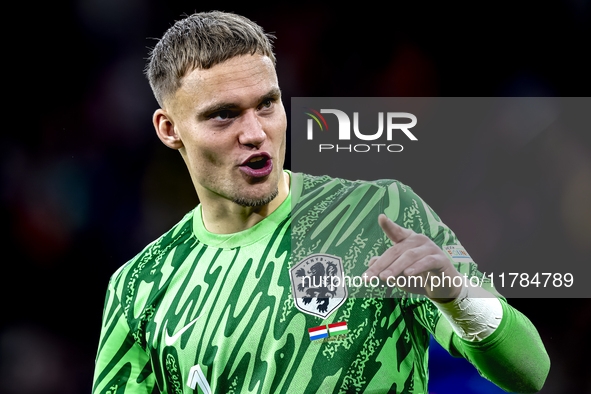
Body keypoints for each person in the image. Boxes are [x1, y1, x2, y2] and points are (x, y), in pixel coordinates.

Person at [92, 11, 550, 394]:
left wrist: (456, 295)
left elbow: (530, 371)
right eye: (224, 115)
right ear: (169, 129)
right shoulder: (140, 288)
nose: (255, 133)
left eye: (267, 105)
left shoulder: (384, 214)